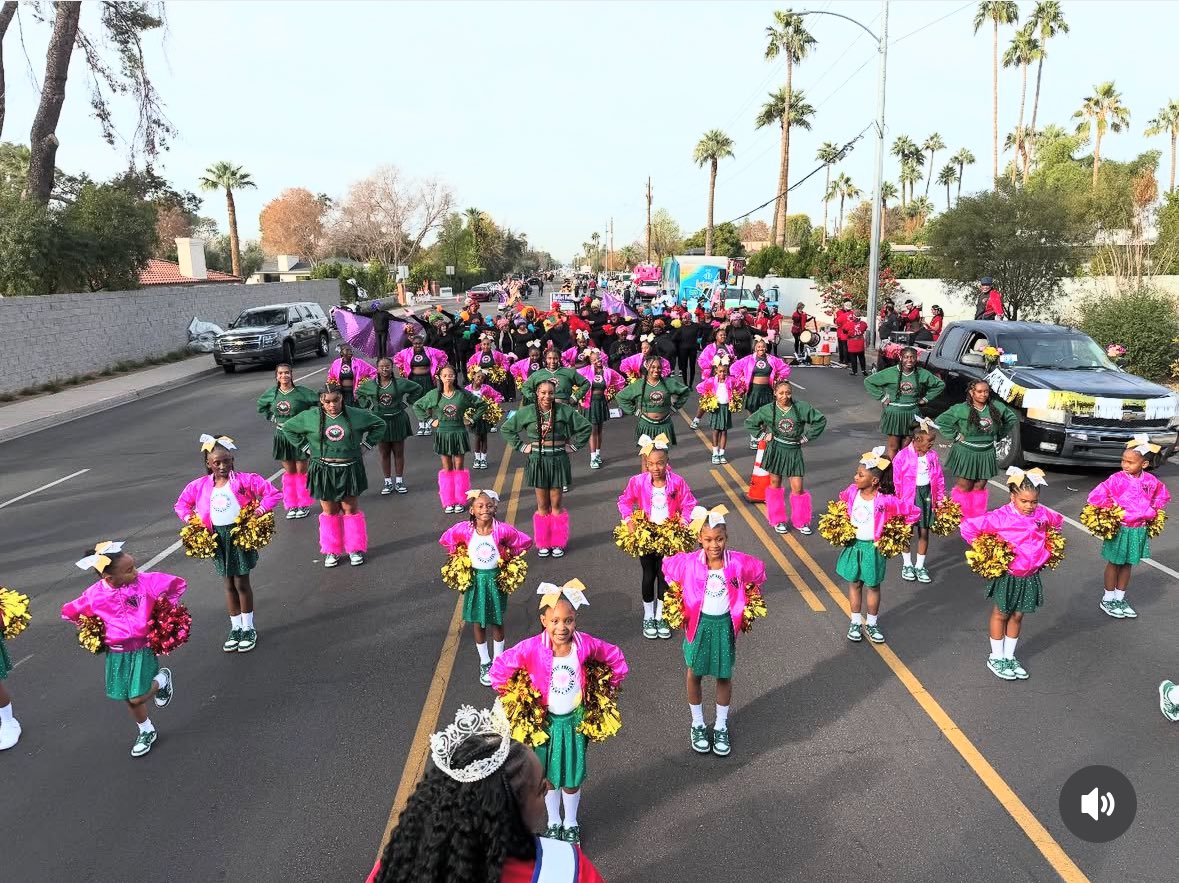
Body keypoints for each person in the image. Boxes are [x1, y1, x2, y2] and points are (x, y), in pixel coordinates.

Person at [367, 703, 606, 883]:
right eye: (542, 788)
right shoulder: (568, 868)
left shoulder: (400, 862)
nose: (547, 790)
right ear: (509, 809)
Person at [489, 581, 629, 845]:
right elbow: (500, 669)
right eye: (554, 621)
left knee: (572, 775)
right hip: (544, 724)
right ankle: (554, 821)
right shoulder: (531, 648)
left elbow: (614, 656)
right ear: (544, 620)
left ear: (576, 620)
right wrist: (515, 698)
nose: (561, 627)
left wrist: (607, 688)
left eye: (568, 620)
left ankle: (571, 821)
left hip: (575, 722)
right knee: (548, 775)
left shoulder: (584, 645)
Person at [662, 506, 767, 757]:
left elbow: (759, 571)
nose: (714, 545)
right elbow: (667, 567)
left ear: (726, 538)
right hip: (698, 626)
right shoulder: (690, 562)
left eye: (719, 539)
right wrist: (679, 598)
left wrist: (748, 598)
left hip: (724, 627)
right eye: (708, 539)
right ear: (700, 539)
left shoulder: (738, 563)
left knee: (723, 675)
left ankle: (720, 725)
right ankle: (697, 723)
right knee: (694, 673)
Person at [61, 543, 183, 757]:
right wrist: (90, 628)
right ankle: (146, 731)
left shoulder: (145, 582)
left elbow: (177, 585)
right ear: (109, 579)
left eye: (134, 566)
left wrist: (166, 612)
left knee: (137, 697)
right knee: (127, 697)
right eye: (129, 571)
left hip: (143, 647)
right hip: (116, 651)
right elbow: (71, 611)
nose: (136, 572)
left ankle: (162, 679)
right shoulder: (94, 595)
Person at [173, 435, 280, 653]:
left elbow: (273, 494)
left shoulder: (245, 480)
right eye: (216, 463)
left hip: (238, 537)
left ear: (232, 459)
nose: (222, 466)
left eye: (226, 461)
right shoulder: (199, 486)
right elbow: (181, 504)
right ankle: (236, 628)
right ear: (208, 464)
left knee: (241, 582)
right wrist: (191, 520)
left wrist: (258, 512)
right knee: (228, 584)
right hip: (217, 539)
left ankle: (249, 627)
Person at [961, 468, 1064, 681]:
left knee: (1018, 615)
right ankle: (996, 657)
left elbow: (1057, 522)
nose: (1029, 506)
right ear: (1012, 497)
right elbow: (968, 527)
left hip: (1029, 575)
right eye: (1024, 501)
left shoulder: (1041, 515)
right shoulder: (1000, 517)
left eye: (1033, 502)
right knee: (1001, 613)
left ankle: (1009, 656)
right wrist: (986, 552)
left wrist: (1046, 549)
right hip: (1008, 574)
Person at [280, 386, 385, 567]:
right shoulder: (310, 416)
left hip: (349, 468)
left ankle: (354, 548)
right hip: (323, 470)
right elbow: (288, 428)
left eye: (335, 400)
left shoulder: (356, 414)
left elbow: (379, 425)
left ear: (341, 399)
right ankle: (332, 550)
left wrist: (367, 445)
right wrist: (306, 448)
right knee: (329, 512)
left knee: (350, 510)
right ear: (321, 400)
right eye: (327, 401)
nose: (331, 405)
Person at [439, 490, 532, 685]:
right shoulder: (464, 529)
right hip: (476, 582)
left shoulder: (503, 530)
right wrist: (459, 558)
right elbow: (447, 539)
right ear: (472, 510)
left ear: (495, 508)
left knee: (497, 621)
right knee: (478, 622)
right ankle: (485, 662)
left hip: (495, 581)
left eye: (489, 505)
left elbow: (524, 541)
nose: (485, 509)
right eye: (480, 506)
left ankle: (499, 661)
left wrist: (509, 558)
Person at [836, 450, 920, 645]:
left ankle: (872, 623)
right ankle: (855, 622)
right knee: (855, 583)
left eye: (860, 475)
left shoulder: (884, 500)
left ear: (874, 481)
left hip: (873, 549)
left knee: (873, 586)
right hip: (853, 545)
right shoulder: (852, 492)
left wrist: (898, 530)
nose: (855, 477)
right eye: (857, 473)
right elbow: (841, 501)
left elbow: (911, 511)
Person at [501, 380, 592, 558]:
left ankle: (557, 542)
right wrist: (521, 446)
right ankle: (543, 542)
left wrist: (574, 446)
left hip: (558, 460)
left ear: (554, 393)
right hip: (538, 460)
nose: (547, 396)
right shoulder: (527, 412)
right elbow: (507, 429)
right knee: (542, 505)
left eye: (550, 393)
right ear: (537, 393)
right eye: (543, 392)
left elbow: (585, 427)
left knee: (556, 504)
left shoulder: (564, 410)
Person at [617, 440, 698, 639]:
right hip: (646, 534)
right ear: (646, 463)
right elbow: (624, 501)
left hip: (669, 535)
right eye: (651, 463)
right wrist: (628, 520)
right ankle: (648, 615)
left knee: (665, 576)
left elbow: (689, 504)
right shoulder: (637, 481)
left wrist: (684, 522)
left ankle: (662, 615)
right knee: (648, 574)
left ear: (667, 461)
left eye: (660, 463)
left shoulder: (677, 482)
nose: (655, 468)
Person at [1086, 436, 1171, 619]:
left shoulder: (1151, 481)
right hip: (1121, 528)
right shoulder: (1116, 479)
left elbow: (1162, 496)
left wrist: (1151, 511)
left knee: (1128, 564)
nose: (1125, 465)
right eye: (1123, 461)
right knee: (1115, 562)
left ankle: (1120, 598)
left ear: (1144, 464)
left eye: (1130, 462)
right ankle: (1107, 599)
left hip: (1138, 529)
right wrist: (1114, 513)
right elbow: (1097, 496)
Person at [744, 380, 826, 534]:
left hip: (794, 450)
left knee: (798, 487)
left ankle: (801, 521)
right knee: (775, 483)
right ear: (775, 393)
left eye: (788, 393)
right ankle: (778, 519)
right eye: (781, 393)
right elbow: (750, 422)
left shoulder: (801, 407)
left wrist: (806, 437)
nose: (785, 396)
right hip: (776, 449)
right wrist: (763, 435)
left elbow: (820, 420)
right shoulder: (767, 409)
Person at [935, 380, 1018, 519]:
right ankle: (958, 516)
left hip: (986, 452)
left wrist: (1000, 434)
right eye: (979, 391)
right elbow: (941, 421)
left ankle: (976, 517)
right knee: (965, 486)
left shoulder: (996, 406)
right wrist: (955, 435)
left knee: (980, 486)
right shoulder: (961, 409)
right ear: (971, 393)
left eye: (986, 391)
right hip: (967, 451)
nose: (983, 394)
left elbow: (1011, 418)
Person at [413, 365, 486, 514]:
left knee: (459, 468)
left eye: (451, 375)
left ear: (455, 377)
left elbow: (482, 405)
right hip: (443, 434)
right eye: (445, 375)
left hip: (459, 432)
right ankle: (449, 501)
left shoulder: (462, 394)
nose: (448, 378)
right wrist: (429, 421)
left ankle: (460, 500)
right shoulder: (435, 395)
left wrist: (472, 420)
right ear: (440, 377)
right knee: (447, 469)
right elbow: (417, 406)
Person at [256, 363, 319, 518]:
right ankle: (292, 504)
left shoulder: (302, 392)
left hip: (299, 436)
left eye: (286, 373)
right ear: (276, 376)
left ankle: (303, 504)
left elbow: (320, 402)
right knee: (289, 472)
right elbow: (261, 406)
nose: (284, 376)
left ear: (292, 374)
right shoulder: (273, 393)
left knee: (301, 471)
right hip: (282, 436)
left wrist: (310, 421)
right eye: (280, 373)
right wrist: (272, 417)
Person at [863, 346, 946, 461]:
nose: (909, 360)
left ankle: (903, 473)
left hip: (912, 414)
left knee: (905, 448)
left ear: (916, 358)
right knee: (893, 447)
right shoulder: (890, 372)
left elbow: (940, 385)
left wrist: (926, 399)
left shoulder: (921, 373)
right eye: (906, 357)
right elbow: (869, 381)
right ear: (900, 358)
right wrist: (882, 397)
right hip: (894, 413)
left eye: (913, 357)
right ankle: (892, 475)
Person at [890, 419, 946, 583]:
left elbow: (939, 478)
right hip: (907, 498)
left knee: (924, 531)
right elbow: (895, 480)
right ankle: (907, 564)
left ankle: (920, 566)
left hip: (926, 496)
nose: (932, 445)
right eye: (930, 441)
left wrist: (940, 499)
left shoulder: (932, 456)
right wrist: (897, 501)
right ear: (917, 440)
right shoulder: (902, 456)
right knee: (906, 532)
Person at [357, 357, 423, 495]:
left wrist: (406, 403)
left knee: (398, 452)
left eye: (387, 366)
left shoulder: (400, 383)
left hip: (398, 419)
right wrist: (369, 405)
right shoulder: (371, 385)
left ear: (392, 367)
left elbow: (417, 388)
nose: (384, 369)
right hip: (380, 422)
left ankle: (399, 481)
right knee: (384, 453)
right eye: (381, 367)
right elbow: (359, 393)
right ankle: (387, 482)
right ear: (377, 368)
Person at [616, 357, 691, 468]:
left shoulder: (668, 383)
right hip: (646, 425)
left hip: (664, 425)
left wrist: (674, 408)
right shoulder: (639, 384)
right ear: (647, 367)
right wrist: (634, 411)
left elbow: (685, 392)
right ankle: (646, 485)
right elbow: (621, 397)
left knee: (662, 459)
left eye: (659, 367)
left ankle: (662, 484)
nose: (656, 370)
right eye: (653, 367)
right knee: (646, 458)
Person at [732, 337, 790, 450]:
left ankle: (761, 437)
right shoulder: (748, 359)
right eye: (758, 346)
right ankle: (753, 437)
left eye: (763, 346)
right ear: (755, 348)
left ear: (766, 347)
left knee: (765, 415)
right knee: (753, 415)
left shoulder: (772, 359)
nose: (761, 348)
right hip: (753, 389)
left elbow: (785, 369)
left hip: (767, 390)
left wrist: (779, 378)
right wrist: (742, 378)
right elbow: (734, 368)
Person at [577, 348, 625, 470]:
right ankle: (593, 458)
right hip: (590, 403)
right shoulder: (585, 370)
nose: (598, 360)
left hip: (601, 402)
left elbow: (621, 380)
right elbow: (572, 376)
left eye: (599, 358)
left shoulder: (608, 371)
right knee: (592, 430)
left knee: (599, 430)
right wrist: (579, 395)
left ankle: (598, 454)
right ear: (590, 361)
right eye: (595, 359)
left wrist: (611, 393)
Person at [394, 334, 449, 435]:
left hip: (427, 379)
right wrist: (402, 369)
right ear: (412, 343)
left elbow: (443, 356)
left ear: (423, 343)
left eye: (419, 343)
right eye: (415, 344)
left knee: (428, 402)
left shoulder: (430, 351)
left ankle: (428, 425)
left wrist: (439, 368)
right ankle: (421, 425)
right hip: (414, 380)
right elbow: (397, 358)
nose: (417, 346)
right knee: (417, 403)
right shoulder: (407, 352)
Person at [695, 357, 743, 465]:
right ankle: (715, 453)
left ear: (727, 371)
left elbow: (740, 387)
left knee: (724, 431)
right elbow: (700, 387)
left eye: (725, 371)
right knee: (716, 431)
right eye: (720, 371)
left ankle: (722, 453)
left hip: (726, 408)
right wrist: (708, 397)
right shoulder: (711, 380)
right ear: (716, 370)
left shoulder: (731, 380)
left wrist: (736, 396)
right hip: (716, 409)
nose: (722, 373)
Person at [464, 366, 505, 471]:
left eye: (482, 378)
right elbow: (461, 400)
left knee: (484, 437)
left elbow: (498, 396)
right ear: (473, 376)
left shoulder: (486, 388)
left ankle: (484, 459)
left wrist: (493, 405)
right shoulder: (467, 389)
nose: (479, 379)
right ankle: (477, 458)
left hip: (485, 417)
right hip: (474, 417)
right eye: (478, 377)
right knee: (477, 437)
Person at [521, 347, 587, 409]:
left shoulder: (569, 372)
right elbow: (525, 387)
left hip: (564, 409)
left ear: (559, 358)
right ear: (545, 359)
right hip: (544, 410)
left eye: (555, 358)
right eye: (549, 358)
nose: (552, 361)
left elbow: (586, 383)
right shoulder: (538, 374)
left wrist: (575, 397)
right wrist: (535, 398)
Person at [842, 311, 868, 376]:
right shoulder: (863, 324)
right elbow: (865, 329)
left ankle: (855, 371)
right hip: (860, 342)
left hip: (852, 342)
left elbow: (844, 330)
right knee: (862, 357)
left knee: (853, 358)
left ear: (854, 317)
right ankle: (863, 370)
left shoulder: (849, 324)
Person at [833, 299, 854, 366]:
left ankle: (844, 360)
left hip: (842, 331)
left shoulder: (840, 313)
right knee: (845, 346)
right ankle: (845, 359)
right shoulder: (852, 313)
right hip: (848, 332)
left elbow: (836, 321)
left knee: (843, 346)